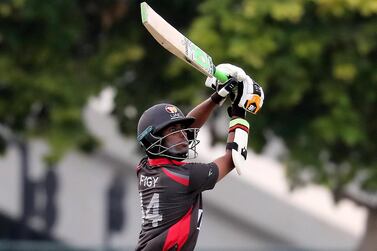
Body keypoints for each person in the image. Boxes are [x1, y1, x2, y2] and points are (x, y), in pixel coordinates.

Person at [135, 64, 264, 251]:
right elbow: (233, 158)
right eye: (173, 130)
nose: (182, 135)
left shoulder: (145, 167)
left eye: (181, 129)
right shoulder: (185, 177)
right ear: (153, 138)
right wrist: (239, 111)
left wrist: (217, 97)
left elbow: (189, 130)